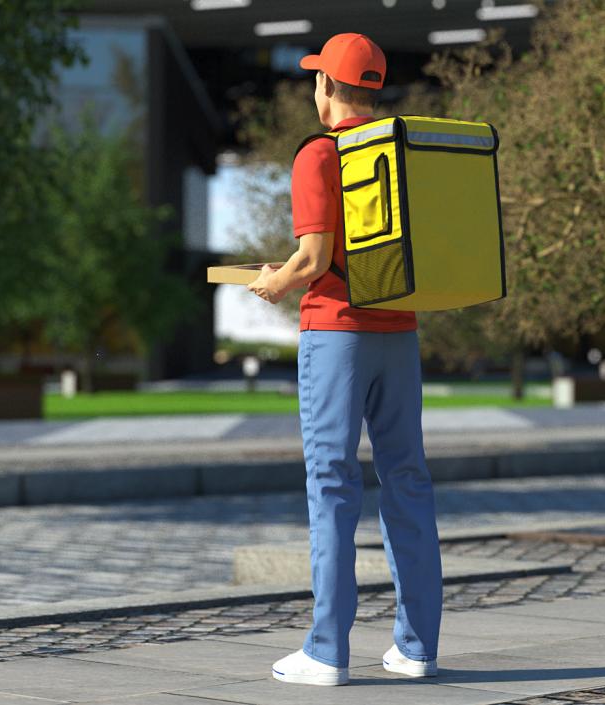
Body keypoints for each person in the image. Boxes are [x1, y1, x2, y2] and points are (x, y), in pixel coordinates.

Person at [246, 32, 443, 687]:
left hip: (336, 334)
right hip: (399, 331)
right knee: (407, 481)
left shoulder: (318, 155)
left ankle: (326, 650)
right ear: (374, 88)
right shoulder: (396, 151)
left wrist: (273, 282)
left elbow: (310, 256)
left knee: (332, 486)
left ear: (327, 86)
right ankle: (416, 648)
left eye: (315, 79)